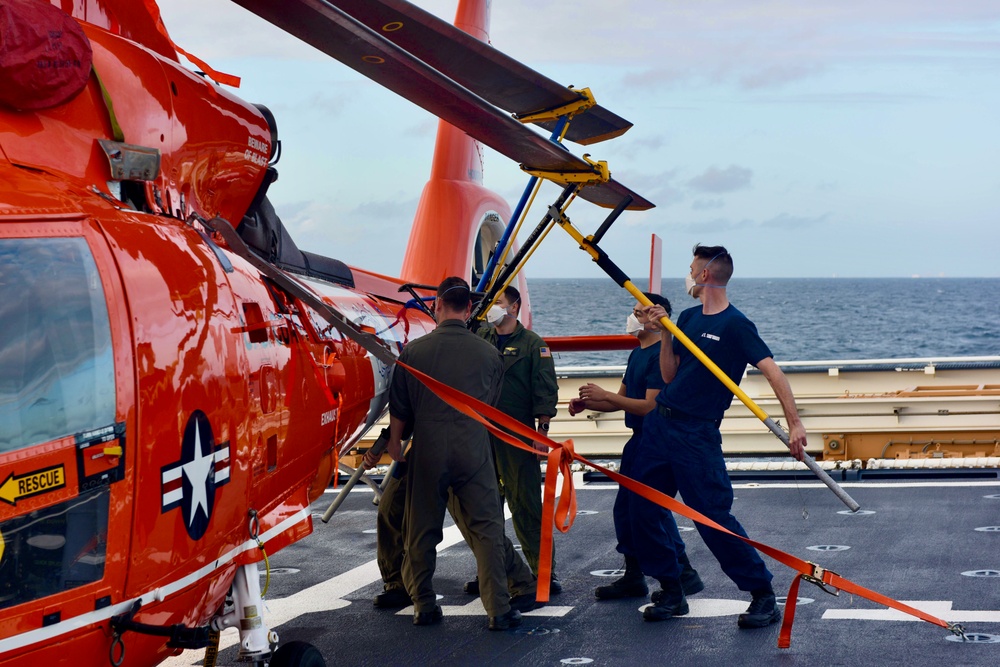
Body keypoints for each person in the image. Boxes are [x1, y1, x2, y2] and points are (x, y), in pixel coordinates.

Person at [634, 244, 807, 628]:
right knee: (643, 507)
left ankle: (762, 593)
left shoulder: (736, 324)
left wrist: (794, 423)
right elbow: (667, 375)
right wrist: (665, 333)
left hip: (697, 433)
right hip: (661, 425)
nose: (688, 274)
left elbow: (772, 371)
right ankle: (672, 588)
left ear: (705, 275)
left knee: (712, 516)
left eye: (692, 268)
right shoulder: (688, 317)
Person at [382, 276, 521, 630]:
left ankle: (424, 605)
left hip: (427, 447)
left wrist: (396, 444)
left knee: (420, 529)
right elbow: (490, 405)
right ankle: (498, 610)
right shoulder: (489, 353)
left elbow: (400, 407)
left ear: (437, 305)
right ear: (470, 308)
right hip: (472, 446)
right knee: (488, 529)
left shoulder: (414, 351)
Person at [567, 293, 703, 602]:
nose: (633, 318)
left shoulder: (660, 356)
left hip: (655, 441)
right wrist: (590, 401)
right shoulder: (637, 353)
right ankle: (638, 574)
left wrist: (607, 397)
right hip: (638, 442)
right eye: (634, 311)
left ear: (658, 320)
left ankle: (680, 572)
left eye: (641, 313)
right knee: (628, 510)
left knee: (647, 511)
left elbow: (649, 406)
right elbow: (622, 397)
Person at [362, 455, 541, 614]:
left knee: (474, 523)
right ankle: (398, 584)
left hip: (459, 445)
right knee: (391, 506)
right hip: (424, 443)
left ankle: (522, 583)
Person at [474, 285, 560, 593]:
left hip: (517, 435)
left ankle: (543, 572)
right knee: (485, 506)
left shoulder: (533, 345)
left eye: (498, 303)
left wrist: (542, 433)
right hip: (482, 433)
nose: (491, 309)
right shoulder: (480, 339)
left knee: (525, 505)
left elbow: (545, 389)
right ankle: (493, 570)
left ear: (514, 307)